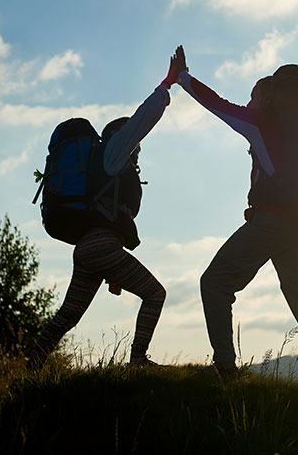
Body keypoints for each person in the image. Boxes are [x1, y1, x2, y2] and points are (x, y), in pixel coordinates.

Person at [174, 46, 298, 392]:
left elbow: (218, 106)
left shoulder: (262, 122)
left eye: (253, 98)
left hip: (272, 223)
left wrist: (182, 78)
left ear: (267, 98)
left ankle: (224, 366)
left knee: (215, 282)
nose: (249, 104)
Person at [27, 52, 184, 370]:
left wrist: (113, 274)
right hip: (100, 247)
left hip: (87, 249)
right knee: (155, 294)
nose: (136, 150)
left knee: (66, 317)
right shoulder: (111, 154)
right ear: (120, 138)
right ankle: (138, 361)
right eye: (132, 144)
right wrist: (167, 84)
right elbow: (143, 120)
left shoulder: (98, 166)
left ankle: (29, 371)